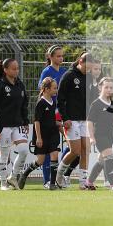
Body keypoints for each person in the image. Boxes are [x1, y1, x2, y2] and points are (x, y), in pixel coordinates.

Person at [56, 53, 99, 190]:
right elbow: (60, 99)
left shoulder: (89, 77)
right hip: (71, 120)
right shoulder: (69, 76)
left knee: (86, 150)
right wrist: (65, 118)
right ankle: (59, 174)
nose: (88, 70)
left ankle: (83, 183)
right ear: (81, 61)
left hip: (84, 120)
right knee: (75, 151)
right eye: (87, 66)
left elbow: (92, 100)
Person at [0, 59, 30, 191]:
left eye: (17, 68)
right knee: (4, 155)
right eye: (13, 68)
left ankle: (13, 176)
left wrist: (26, 121)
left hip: (17, 124)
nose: (16, 71)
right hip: (3, 126)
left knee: (23, 151)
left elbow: (24, 105)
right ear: (5, 70)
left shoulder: (20, 84)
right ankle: (3, 184)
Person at [17, 78, 62, 190]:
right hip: (42, 135)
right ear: (46, 89)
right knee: (40, 161)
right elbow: (37, 121)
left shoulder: (54, 102)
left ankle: (52, 184)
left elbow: (53, 119)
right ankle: (25, 174)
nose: (56, 90)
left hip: (53, 134)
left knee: (54, 155)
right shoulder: (41, 103)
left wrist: (61, 128)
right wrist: (39, 138)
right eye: (54, 88)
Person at [87, 78, 113, 191]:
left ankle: (89, 182)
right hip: (99, 135)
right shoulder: (96, 104)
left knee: (101, 160)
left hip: (110, 135)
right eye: (106, 87)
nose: (109, 89)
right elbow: (89, 121)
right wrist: (91, 137)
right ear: (100, 88)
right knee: (109, 156)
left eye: (111, 87)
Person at [38, 45, 67, 186]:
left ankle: (59, 177)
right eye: (58, 56)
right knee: (49, 148)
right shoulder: (46, 71)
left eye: (62, 56)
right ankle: (47, 180)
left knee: (63, 145)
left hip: (61, 111)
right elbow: (42, 89)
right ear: (50, 57)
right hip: (49, 113)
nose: (61, 58)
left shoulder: (64, 71)